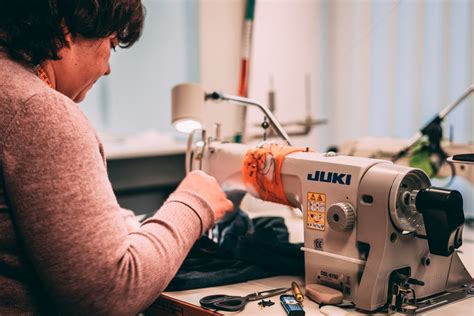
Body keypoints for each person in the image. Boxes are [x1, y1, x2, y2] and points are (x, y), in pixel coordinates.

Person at [0, 0, 233, 314]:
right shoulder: (38, 110)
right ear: (67, 31)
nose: (108, 69)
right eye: (111, 43)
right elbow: (111, 291)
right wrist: (194, 203)